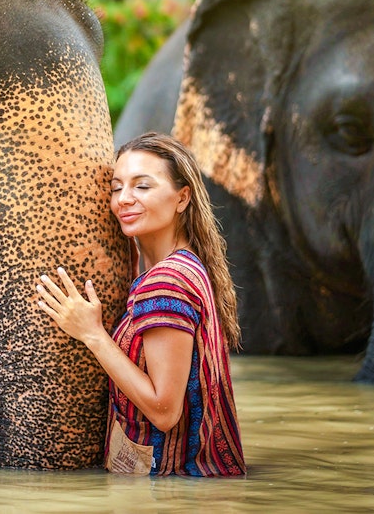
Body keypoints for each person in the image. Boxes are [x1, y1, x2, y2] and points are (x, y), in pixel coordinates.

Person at [36, 132, 245, 477]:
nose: (124, 200)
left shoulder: (166, 281)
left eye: (142, 187)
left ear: (182, 198)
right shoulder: (187, 266)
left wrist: (93, 335)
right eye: (117, 188)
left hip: (174, 489)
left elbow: (164, 411)